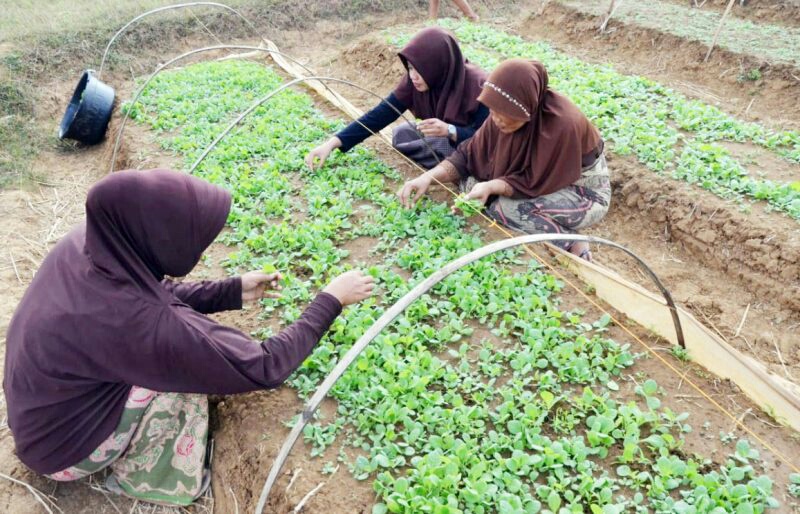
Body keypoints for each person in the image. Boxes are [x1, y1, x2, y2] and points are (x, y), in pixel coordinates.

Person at [3, 169, 374, 506]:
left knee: (172, 355)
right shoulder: (142, 322)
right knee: (184, 386)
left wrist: (230, 291)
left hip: (40, 416)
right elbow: (264, 366)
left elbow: (147, 290)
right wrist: (331, 299)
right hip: (64, 452)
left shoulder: (88, 243)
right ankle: (152, 480)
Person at [398, 59, 610, 262]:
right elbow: (466, 155)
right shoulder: (500, 115)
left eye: (504, 113)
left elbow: (532, 181)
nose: (496, 118)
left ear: (526, 109)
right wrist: (427, 178)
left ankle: (571, 241)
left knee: (506, 209)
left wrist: (492, 186)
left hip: (580, 190)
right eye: (493, 110)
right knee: (472, 188)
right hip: (534, 180)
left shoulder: (562, 125)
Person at [306, 27, 488, 171]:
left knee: (463, 156)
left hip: (476, 148)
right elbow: (380, 114)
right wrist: (332, 143)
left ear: (438, 66)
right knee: (402, 134)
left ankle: (459, 171)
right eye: (410, 68)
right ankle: (448, 164)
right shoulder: (415, 82)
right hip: (446, 140)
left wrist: (450, 130)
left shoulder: (478, 86)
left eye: (420, 69)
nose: (413, 76)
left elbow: (489, 139)